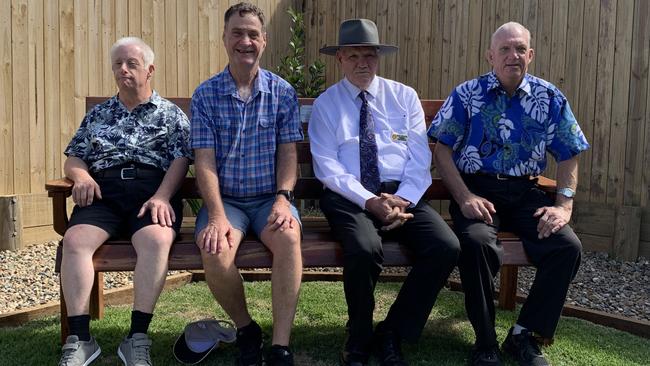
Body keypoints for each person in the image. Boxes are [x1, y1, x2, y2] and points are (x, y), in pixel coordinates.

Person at [427, 22, 590, 366]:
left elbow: (569, 153)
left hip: (526, 191)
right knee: (476, 244)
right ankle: (485, 342)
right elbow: (442, 149)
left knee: (566, 247)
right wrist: (463, 197)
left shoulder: (550, 98)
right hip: (477, 190)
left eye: (519, 49)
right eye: (504, 49)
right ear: (491, 56)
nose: (512, 56)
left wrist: (563, 206)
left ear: (530, 55)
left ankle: (523, 335)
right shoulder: (467, 94)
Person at [309, 19, 461, 366]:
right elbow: (327, 167)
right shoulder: (326, 105)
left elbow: (420, 157)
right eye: (354, 56)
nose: (362, 63)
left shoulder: (404, 97)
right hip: (350, 196)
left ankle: (392, 331)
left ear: (378, 58)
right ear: (340, 59)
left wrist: (402, 199)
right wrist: (371, 201)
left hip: (401, 196)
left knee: (446, 247)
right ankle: (359, 335)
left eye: (369, 56)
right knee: (364, 249)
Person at [58, 37, 191, 366]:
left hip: (151, 194)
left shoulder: (171, 115)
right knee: (74, 241)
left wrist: (163, 196)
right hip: (103, 192)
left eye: (131, 63)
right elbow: (74, 158)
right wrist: (83, 177)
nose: (123, 70)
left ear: (150, 70)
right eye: (117, 64)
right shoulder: (99, 114)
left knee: (157, 240)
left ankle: (136, 338)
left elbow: (180, 160)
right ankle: (80, 339)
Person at [190, 3, 303, 366]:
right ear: (224, 39)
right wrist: (217, 216)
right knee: (215, 249)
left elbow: (289, 155)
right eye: (237, 33)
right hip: (228, 202)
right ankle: (246, 329)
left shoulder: (283, 92)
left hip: (270, 198)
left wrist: (283, 200)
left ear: (264, 41)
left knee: (288, 237)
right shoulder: (205, 95)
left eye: (253, 34)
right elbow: (204, 163)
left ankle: (279, 345)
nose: (245, 41)